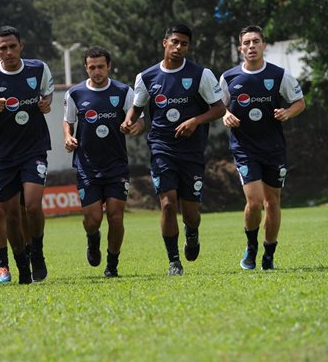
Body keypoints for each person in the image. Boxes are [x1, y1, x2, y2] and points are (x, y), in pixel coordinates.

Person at [121, 24, 225, 276]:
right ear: (164, 42)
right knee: (168, 204)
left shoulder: (201, 74)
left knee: (190, 212)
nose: (179, 47)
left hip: (192, 151)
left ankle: (192, 233)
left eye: (184, 44)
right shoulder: (146, 77)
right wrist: (128, 120)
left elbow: (219, 109)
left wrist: (195, 121)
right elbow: (138, 106)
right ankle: (173, 261)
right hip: (162, 148)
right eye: (175, 42)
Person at [0, 25, 54, 284]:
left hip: (34, 148)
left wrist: (46, 102)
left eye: (12, 46)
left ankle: (37, 252)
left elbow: (47, 93)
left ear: (21, 46)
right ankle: (21, 265)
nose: (8, 51)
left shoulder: (38, 69)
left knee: (34, 205)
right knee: (11, 215)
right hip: (1, 155)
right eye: (3, 48)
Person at [220, 25, 305, 270]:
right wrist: (225, 114)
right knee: (255, 202)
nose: (251, 46)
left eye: (256, 41)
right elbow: (217, 106)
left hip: (274, 148)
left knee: (272, 202)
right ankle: (251, 247)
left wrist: (288, 111)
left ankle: (269, 253)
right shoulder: (229, 77)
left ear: (264, 45)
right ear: (240, 49)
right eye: (246, 43)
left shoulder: (279, 75)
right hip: (245, 148)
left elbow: (300, 102)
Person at [63, 46, 144, 277]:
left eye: (101, 66)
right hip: (87, 166)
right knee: (93, 219)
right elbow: (67, 121)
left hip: (116, 164)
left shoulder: (123, 91)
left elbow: (139, 121)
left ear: (109, 66)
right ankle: (92, 238)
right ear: (86, 68)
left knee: (116, 216)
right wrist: (68, 137)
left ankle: (112, 264)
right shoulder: (75, 93)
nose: (96, 71)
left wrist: (133, 128)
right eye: (92, 67)